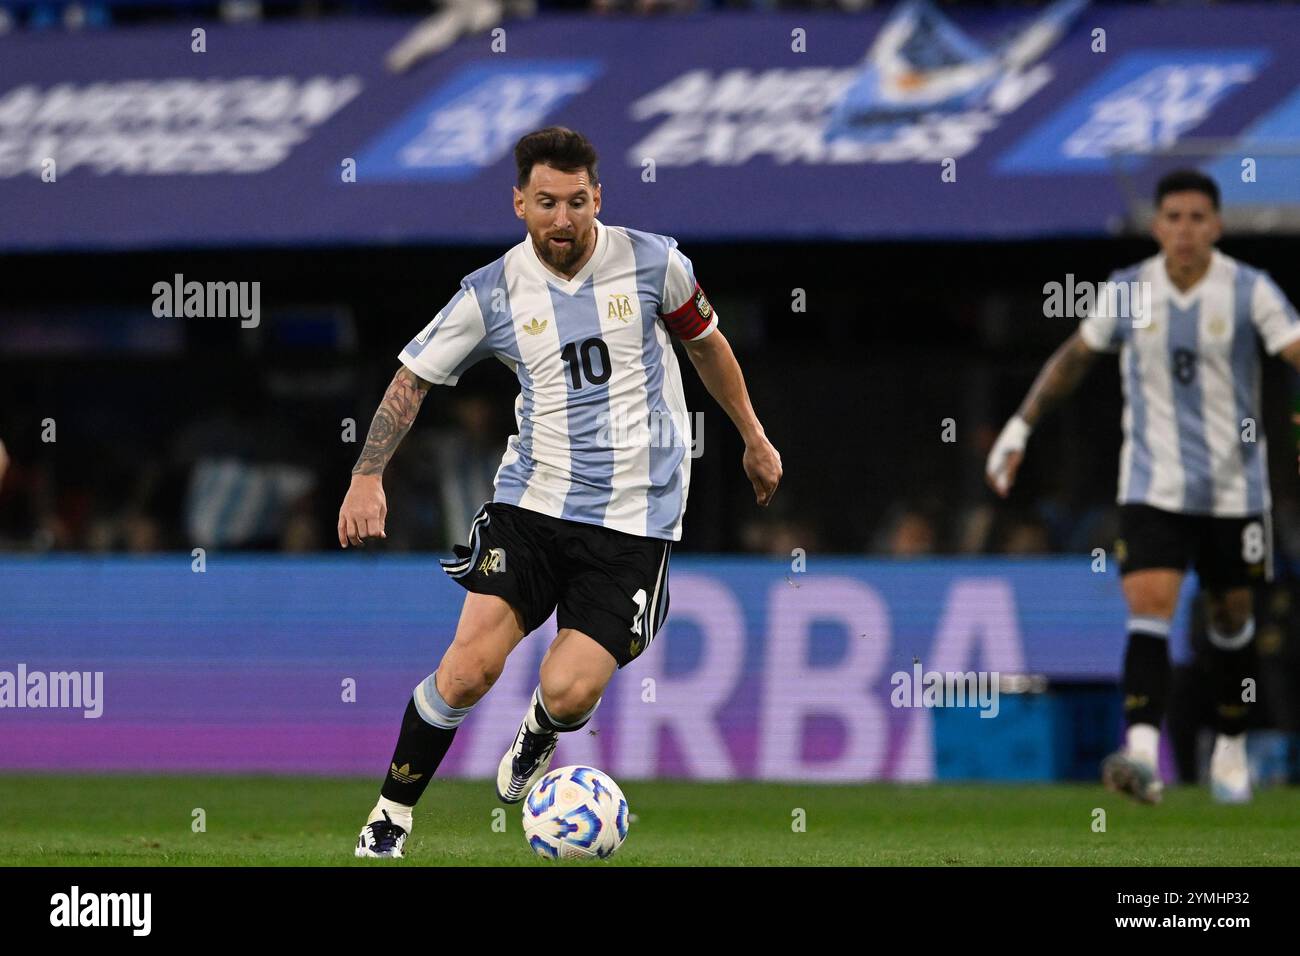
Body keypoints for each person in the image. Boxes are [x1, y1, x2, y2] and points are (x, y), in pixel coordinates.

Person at [339, 127, 782, 857]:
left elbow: (707, 344)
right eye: (546, 202)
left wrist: (754, 437)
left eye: (577, 201)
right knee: (469, 667)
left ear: (597, 198)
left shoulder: (656, 263)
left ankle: (541, 730)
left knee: (571, 690)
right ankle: (391, 816)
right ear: (520, 203)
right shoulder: (492, 291)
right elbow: (413, 375)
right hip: (533, 503)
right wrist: (365, 474)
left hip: (636, 517)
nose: (563, 219)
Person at [986, 170, 1300, 805]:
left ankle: (1232, 746)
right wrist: (1020, 426)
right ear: (1158, 225)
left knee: (1230, 616)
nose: (1185, 229)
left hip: (1235, 489)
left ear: (1215, 224)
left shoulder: (1249, 290)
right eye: (1174, 217)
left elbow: (1295, 350)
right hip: (1151, 484)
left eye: (1197, 218)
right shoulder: (1129, 290)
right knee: (1150, 606)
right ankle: (1139, 751)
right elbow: (1075, 357)